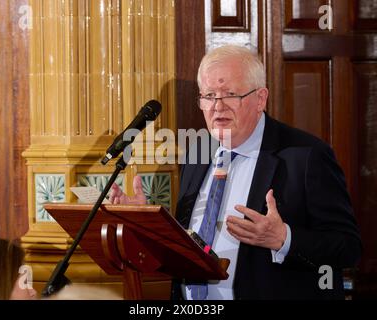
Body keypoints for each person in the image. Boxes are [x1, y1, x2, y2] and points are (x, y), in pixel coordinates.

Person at [109, 45, 362, 300]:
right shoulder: (197, 152)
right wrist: (145, 224)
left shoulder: (305, 156)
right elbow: (188, 243)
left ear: (260, 99)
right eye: (208, 95)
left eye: (230, 94)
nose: (217, 107)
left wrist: (284, 238)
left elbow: (347, 248)